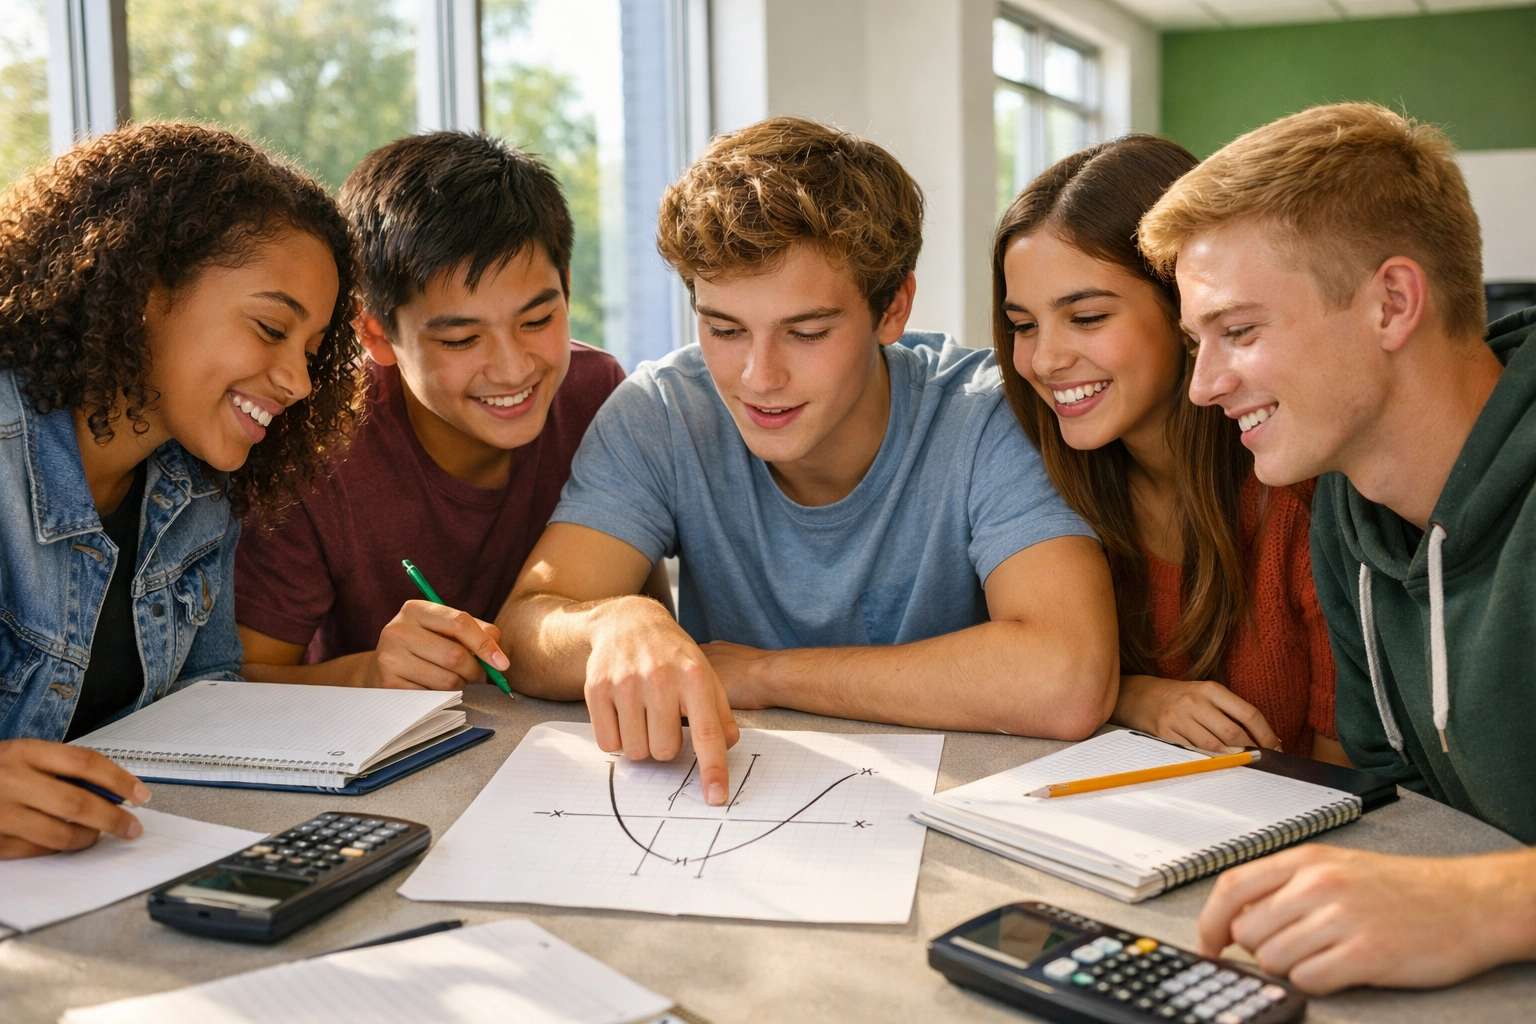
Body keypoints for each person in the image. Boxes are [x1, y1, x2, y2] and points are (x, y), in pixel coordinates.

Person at [497, 117, 1119, 807]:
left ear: (893, 310)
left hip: (957, 815)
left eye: (807, 332)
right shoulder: (664, 411)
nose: (759, 377)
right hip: (723, 809)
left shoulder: (987, 415)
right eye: (724, 329)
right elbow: (525, 631)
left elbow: (1068, 678)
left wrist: (764, 674)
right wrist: (611, 624)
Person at [1138, 102, 1536, 993]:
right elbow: (1405, 802)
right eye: (1197, 344)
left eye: (1238, 332)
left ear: (1393, 303)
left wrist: (1485, 903)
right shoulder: (1346, 520)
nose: (1202, 388)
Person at [0, 123, 360, 857]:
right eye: (270, 328)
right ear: (143, 287)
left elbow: (205, 708)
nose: (297, 381)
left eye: (313, 352)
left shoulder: (199, 489)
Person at [236, 132, 632, 690]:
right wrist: (368, 674)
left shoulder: (599, 393)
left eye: (538, 321)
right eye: (462, 339)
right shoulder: (317, 449)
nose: (513, 369)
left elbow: (640, 616)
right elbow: (237, 682)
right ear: (375, 334)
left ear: (566, 289)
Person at [993, 136, 1344, 763]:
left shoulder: (1306, 494)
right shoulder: (1038, 484)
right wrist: (1132, 695)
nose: (1044, 360)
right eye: (1023, 326)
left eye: (1088, 317)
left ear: (1186, 306)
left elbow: (1350, 783)